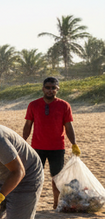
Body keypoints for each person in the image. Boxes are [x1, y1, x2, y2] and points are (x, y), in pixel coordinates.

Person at [23, 77, 80, 209]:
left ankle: (56, 204)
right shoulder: (33, 105)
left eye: (53, 88)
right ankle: (31, 205)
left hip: (57, 148)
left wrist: (74, 144)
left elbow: (69, 126)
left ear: (57, 89)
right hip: (37, 147)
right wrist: (23, 141)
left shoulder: (64, 105)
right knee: (35, 177)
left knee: (57, 178)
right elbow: (28, 125)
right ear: (43, 88)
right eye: (47, 87)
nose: (50, 90)